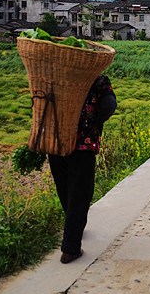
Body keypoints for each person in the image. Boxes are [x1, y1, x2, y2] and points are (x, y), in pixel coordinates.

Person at [48, 74, 116, 264]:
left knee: (65, 188)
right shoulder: (98, 79)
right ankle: (70, 248)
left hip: (54, 141)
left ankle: (74, 226)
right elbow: (109, 105)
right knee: (80, 193)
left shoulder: (53, 76)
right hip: (82, 145)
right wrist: (93, 123)